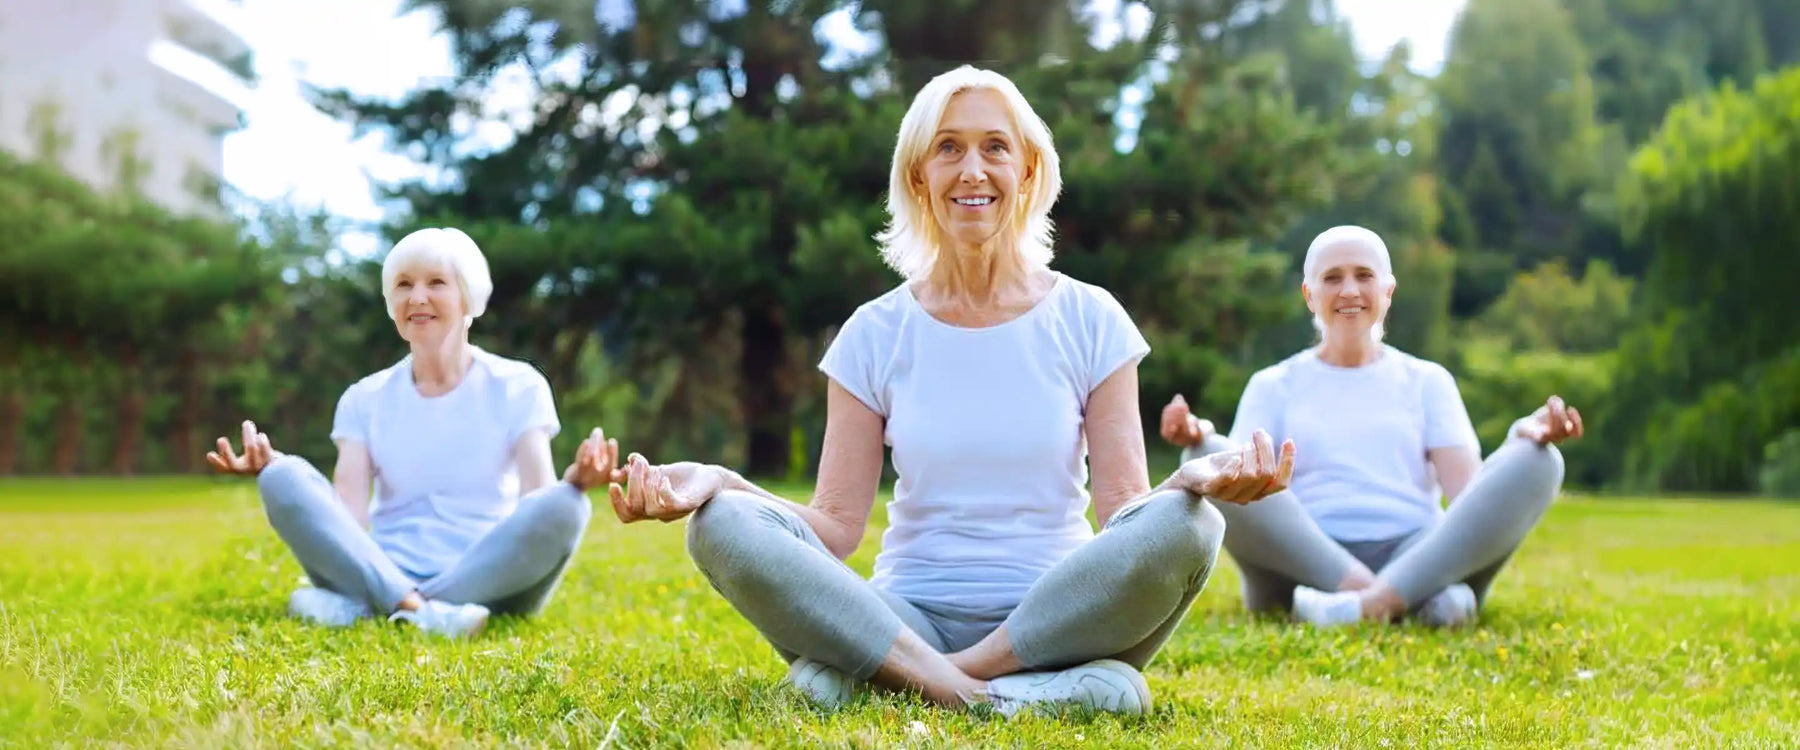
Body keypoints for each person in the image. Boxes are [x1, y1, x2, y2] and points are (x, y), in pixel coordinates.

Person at [592, 65, 1294, 718]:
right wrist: (721, 481)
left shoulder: (1091, 317)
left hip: (1060, 616)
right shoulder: (875, 332)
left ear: (1028, 170)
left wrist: (1190, 482)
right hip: (907, 614)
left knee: (1192, 525)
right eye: (949, 148)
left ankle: (909, 681)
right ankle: (996, 694)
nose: (973, 169)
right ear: (920, 176)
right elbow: (834, 527)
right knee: (718, 522)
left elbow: (1123, 515)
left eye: (995, 147)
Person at [1158, 224, 1585, 628]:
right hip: (1306, 559)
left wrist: (1520, 443)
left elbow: (1468, 497)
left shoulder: (1428, 381)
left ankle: (1367, 605)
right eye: (1332, 278)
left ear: (1388, 291)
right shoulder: (1272, 386)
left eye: (1364, 275)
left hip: (1415, 551)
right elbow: (1246, 490)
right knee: (1206, 458)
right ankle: (1409, 600)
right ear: (1309, 295)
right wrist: (1201, 442)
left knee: (1540, 461)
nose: (1349, 290)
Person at [205, 227, 622, 638]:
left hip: (491, 581)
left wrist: (575, 482)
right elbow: (348, 516)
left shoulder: (519, 385)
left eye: (436, 282)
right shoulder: (362, 398)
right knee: (282, 475)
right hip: (387, 567)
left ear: (467, 298)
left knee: (569, 505)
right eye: (403, 285)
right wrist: (278, 473)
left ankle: (365, 609)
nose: (417, 297)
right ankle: (419, 612)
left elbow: (536, 500)